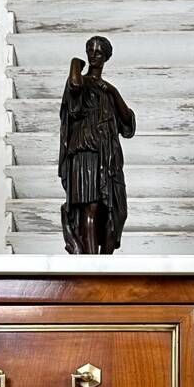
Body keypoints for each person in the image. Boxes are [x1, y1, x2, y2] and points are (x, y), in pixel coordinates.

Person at [58, 35, 134, 253]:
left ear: (106, 57)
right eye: (90, 50)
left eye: (99, 52)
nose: (93, 55)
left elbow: (127, 123)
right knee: (90, 208)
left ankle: (104, 268)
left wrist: (112, 90)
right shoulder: (81, 83)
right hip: (86, 151)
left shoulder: (108, 91)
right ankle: (90, 266)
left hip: (109, 156)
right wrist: (75, 62)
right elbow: (74, 84)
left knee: (117, 213)